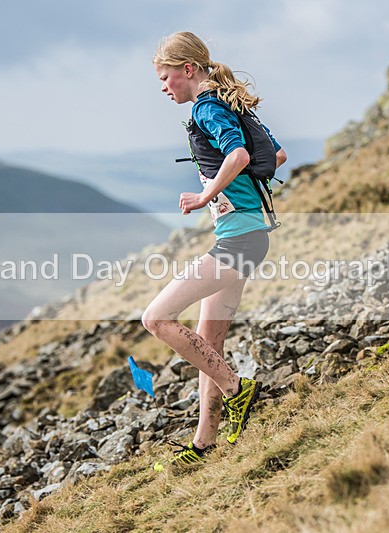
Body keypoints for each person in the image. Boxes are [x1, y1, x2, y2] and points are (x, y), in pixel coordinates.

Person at [143, 31, 287, 469]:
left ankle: (237, 388)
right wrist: (225, 192)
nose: (164, 87)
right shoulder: (227, 101)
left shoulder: (208, 106)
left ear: (188, 70)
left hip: (239, 241)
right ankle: (205, 443)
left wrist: (206, 196)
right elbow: (276, 156)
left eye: (166, 77)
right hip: (248, 235)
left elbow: (240, 155)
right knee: (208, 342)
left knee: (156, 318)